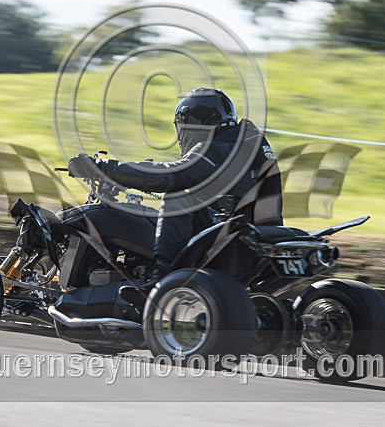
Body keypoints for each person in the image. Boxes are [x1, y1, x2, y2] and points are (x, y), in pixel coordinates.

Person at [67, 87, 281, 297]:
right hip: (253, 228)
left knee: (177, 195)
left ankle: (163, 280)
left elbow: (171, 176)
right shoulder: (246, 142)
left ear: (196, 125)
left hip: (231, 232)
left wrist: (104, 168)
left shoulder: (220, 147)